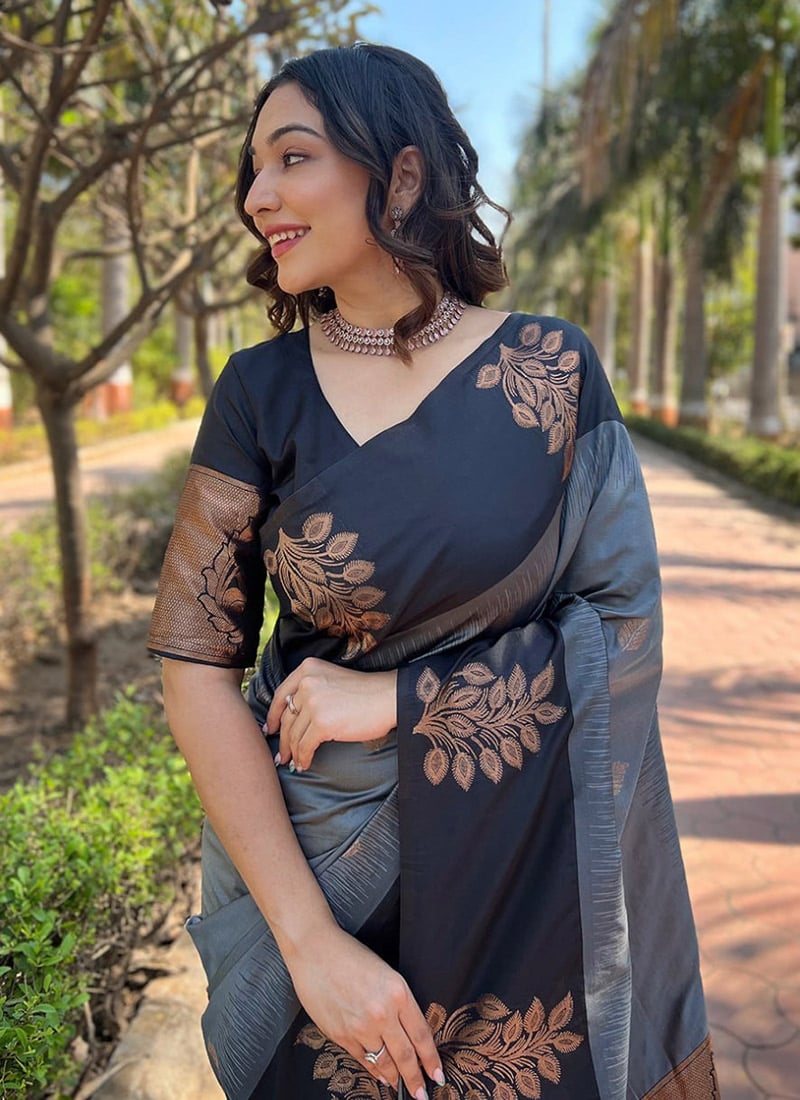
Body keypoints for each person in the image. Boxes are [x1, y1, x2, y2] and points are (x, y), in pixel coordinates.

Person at [148, 43, 718, 1100]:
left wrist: (402, 702)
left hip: (517, 879)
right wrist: (312, 944)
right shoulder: (257, 393)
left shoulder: (550, 371)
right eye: (252, 169)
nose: (256, 196)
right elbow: (194, 666)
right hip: (319, 873)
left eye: (292, 158)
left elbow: (623, 627)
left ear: (401, 176)